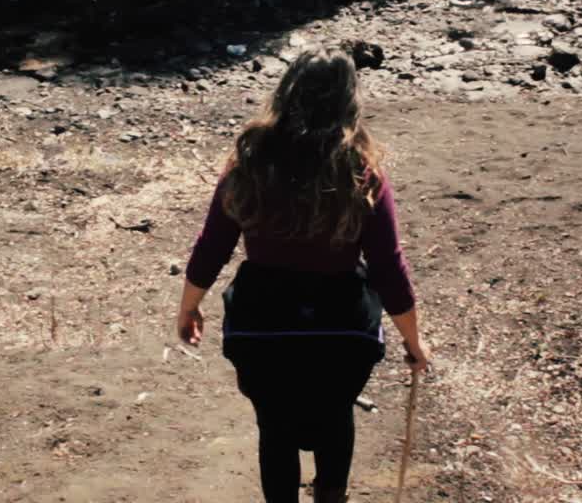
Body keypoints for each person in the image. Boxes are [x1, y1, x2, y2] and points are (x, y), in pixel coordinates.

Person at [176, 46, 429, 503]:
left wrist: (189, 306)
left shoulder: (249, 163)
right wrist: (413, 341)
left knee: (274, 426)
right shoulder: (360, 171)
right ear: (349, 100)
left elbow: (212, 245)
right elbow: (389, 266)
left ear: (287, 90)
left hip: (261, 325)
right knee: (335, 417)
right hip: (341, 328)